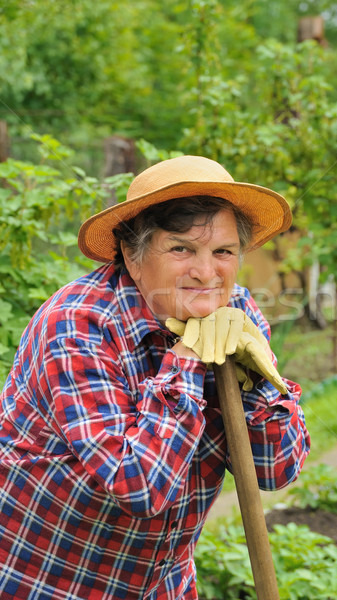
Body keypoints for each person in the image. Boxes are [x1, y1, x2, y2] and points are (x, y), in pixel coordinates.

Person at [0, 155, 310, 600]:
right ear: (133, 254)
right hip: (47, 581)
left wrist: (256, 385)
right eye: (182, 248)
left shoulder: (233, 311)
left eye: (223, 252)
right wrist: (186, 359)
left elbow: (276, 469)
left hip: (160, 583)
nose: (207, 273)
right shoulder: (77, 326)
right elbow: (139, 486)